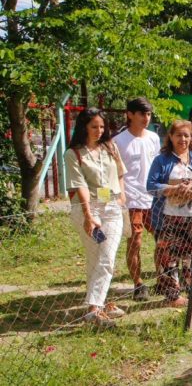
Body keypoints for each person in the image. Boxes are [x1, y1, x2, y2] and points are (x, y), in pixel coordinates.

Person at [65, 108, 128, 327]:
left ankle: (95, 307)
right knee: (96, 256)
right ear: (83, 127)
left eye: (102, 126)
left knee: (106, 256)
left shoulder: (110, 147)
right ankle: (97, 307)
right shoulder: (73, 153)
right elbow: (79, 185)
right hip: (88, 209)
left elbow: (120, 173)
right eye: (94, 127)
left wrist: (121, 197)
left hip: (112, 209)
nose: (99, 131)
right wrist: (88, 215)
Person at [146, 120, 192, 307]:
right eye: (178, 135)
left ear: (191, 137)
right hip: (168, 217)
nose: (183, 139)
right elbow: (151, 185)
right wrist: (172, 188)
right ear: (170, 137)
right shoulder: (161, 160)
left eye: (186, 135)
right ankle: (173, 296)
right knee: (169, 257)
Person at [113, 97, 160, 301]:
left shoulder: (153, 138)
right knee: (136, 242)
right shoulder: (118, 141)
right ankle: (138, 284)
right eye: (142, 114)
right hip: (131, 200)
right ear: (130, 114)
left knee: (163, 240)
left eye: (148, 114)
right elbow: (115, 173)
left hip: (154, 198)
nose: (146, 118)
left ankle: (163, 279)